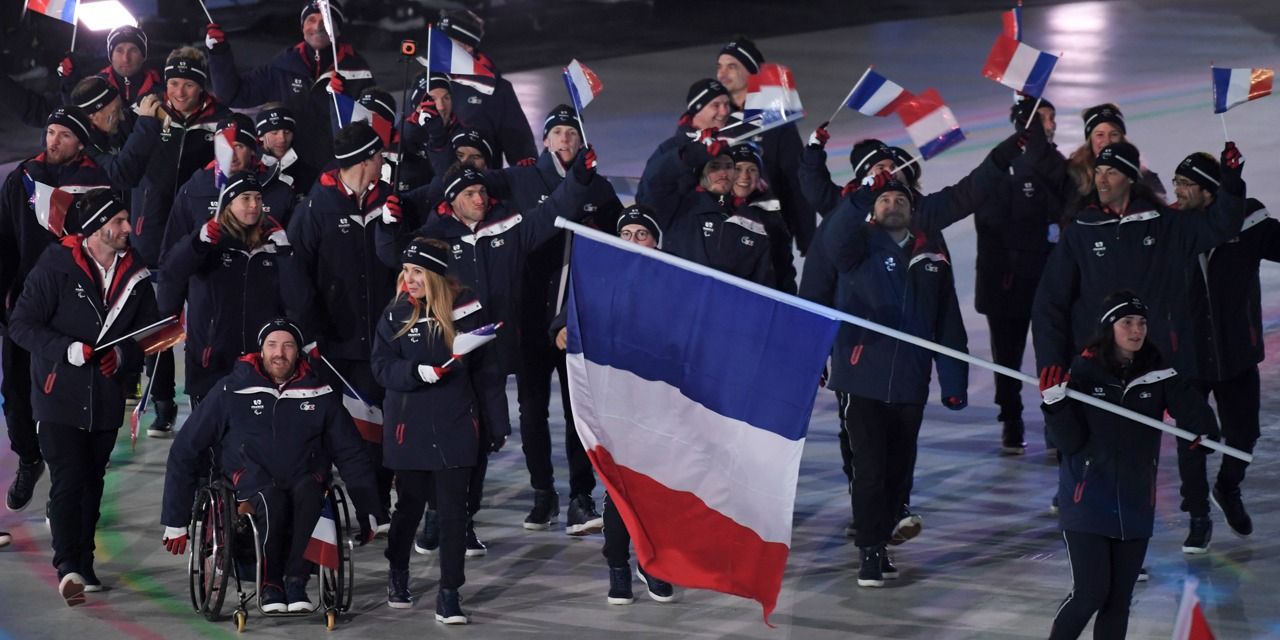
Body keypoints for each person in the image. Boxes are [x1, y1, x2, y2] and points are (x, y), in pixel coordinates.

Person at [160, 318, 385, 614]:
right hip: (250, 481)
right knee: (272, 498)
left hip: (304, 477)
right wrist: (176, 519)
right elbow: (185, 449)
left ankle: (296, 580)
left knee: (311, 494)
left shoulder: (320, 392)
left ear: (298, 352)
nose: (280, 353)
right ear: (261, 350)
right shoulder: (231, 389)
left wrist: (369, 510)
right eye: (273, 345)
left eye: (288, 345)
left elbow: (351, 453)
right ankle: (271, 582)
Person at [8, 189, 158, 605]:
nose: (128, 228)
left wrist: (123, 357)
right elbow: (21, 324)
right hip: (57, 395)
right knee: (69, 478)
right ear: (97, 227)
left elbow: (151, 332)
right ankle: (67, 566)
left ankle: (85, 562)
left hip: (106, 398)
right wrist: (68, 350)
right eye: (120, 221)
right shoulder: (55, 266)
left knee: (92, 482)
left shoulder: (136, 273)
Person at [1043, 292, 1219, 640]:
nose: (1136, 330)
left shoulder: (1157, 374)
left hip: (1135, 502)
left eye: (1141, 323)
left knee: (1118, 602)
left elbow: (1197, 415)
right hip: (1086, 501)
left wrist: (1203, 431)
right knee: (1090, 593)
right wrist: (1055, 405)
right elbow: (1070, 444)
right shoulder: (1083, 373)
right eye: (1127, 322)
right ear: (1109, 327)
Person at [821, 178, 969, 587]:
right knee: (869, 468)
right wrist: (861, 197)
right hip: (861, 378)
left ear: (912, 209)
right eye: (884, 199)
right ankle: (869, 550)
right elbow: (834, 238)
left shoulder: (932, 257)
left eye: (900, 199)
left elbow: (948, 321)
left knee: (898, 469)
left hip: (910, 379)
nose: (892, 204)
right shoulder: (857, 245)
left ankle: (883, 541)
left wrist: (953, 382)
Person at [372, 238, 509, 623]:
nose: (409, 279)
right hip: (408, 429)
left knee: (453, 514)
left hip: (456, 425)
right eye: (406, 271)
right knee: (409, 508)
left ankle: (450, 593)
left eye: (417, 272)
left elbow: (488, 373)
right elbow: (380, 367)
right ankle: (398, 570)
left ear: (435, 274)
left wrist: (496, 423)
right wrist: (415, 372)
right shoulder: (396, 313)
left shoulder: (467, 309)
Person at [498, 105, 619, 534]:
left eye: (572, 133)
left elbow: (618, 245)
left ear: (582, 142)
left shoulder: (600, 188)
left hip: (577, 320)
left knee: (577, 412)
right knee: (531, 410)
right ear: (545, 140)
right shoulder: (521, 181)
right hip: (530, 317)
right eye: (558, 133)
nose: (565, 139)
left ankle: (581, 496)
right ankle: (542, 493)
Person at [550, 204, 678, 605]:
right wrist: (562, 329)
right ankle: (618, 566)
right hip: (614, 400)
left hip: (661, 402)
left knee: (655, 489)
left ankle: (652, 562)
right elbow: (565, 319)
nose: (633, 241)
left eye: (642, 234)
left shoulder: (678, 282)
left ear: (656, 242)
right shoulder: (600, 279)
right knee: (619, 486)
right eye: (625, 234)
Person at [283, 121, 398, 527]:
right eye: (379, 154)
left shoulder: (390, 202)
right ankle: (328, 513)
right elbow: (295, 275)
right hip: (334, 344)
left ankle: (376, 507)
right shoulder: (315, 208)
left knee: (378, 428)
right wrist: (307, 334)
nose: (384, 160)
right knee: (337, 432)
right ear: (366, 160)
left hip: (384, 340)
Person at [1, 106, 113, 517]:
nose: (53, 141)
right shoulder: (22, 178)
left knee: (63, 402)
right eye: (50, 132)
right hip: (24, 306)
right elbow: (4, 239)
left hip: (74, 309)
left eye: (64, 135)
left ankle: (64, 493)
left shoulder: (97, 183)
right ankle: (29, 459)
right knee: (16, 395)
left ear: (80, 143)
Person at [1170, 152, 1279, 551]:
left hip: (1236, 351)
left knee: (1244, 434)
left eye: (1186, 185)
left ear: (1211, 191)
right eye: (1176, 183)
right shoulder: (1170, 226)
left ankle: (1228, 487)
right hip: (1188, 354)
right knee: (1191, 438)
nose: (1178, 191)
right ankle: (1198, 515)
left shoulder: (1248, 222)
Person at [973, 97, 1070, 454]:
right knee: (1007, 357)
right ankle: (1011, 419)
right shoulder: (1002, 163)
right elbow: (988, 222)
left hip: (1049, 279)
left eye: (1051, 117)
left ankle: (1055, 421)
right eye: (1042, 118)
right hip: (1008, 281)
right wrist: (1043, 233)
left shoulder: (1060, 166)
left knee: (1054, 355)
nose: (1049, 124)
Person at [158, 171, 291, 408]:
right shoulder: (208, 241)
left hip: (260, 367)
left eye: (258, 198)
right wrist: (198, 242)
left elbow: (294, 297)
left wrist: (287, 255)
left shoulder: (272, 242)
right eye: (246, 198)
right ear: (229, 203)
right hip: (211, 365)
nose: (254, 205)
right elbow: (171, 271)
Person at [206, 0, 377, 170]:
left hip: (338, 171)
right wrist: (219, 53)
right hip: (290, 170)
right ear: (302, 27)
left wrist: (345, 100)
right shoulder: (282, 67)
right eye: (311, 20)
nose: (318, 26)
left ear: (338, 29)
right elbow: (233, 95)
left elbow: (374, 125)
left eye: (325, 20)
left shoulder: (357, 70)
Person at [714, 36, 811, 279]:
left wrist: (807, 235)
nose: (722, 73)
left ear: (751, 71)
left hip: (769, 228)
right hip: (721, 225)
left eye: (732, 66)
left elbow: (794, 179)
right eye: (720, 66)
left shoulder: (775, 121)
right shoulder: (714, 115)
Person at [434, 9, 537, 166]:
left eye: (447, 41)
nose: (437, 46)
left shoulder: (497, 90)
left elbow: (521, 151)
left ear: (468, 46)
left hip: (480, 181)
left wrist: (528, 172)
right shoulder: (427, 82)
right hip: (433, 182)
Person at [635, 78, 731, 215]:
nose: (724, 111)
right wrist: (689, 157)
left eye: (726, 104)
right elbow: (647, 197)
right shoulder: (671, 149)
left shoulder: (729, 144)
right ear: (697, 109)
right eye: (716, 105)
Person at [1065, 103, 1164, 203]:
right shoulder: (1071, 175)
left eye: (1114, 134)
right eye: (1100, 135)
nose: (1107, 141)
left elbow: (1161, 207)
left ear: (1122, 138)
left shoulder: (1143, 176)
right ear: (1090, 139)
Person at [255, 104, 319, 198]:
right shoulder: (250, 169)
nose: (282, 139)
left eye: (287, 132)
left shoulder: (308, 170)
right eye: (274, 133)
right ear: (261, 136)